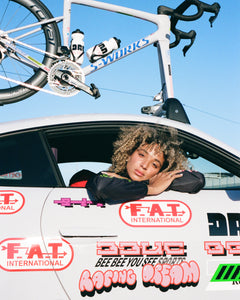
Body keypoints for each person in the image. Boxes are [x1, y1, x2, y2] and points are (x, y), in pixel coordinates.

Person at [86, 125, 205, 203]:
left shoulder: (156, 180)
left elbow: (197, 180)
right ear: (128, 154)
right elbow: (102, 187)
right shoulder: (104, 176)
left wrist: (156, 182)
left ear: (160, 172)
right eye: (142, 155)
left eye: (155, 165)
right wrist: (151, 188)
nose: (144, 166)